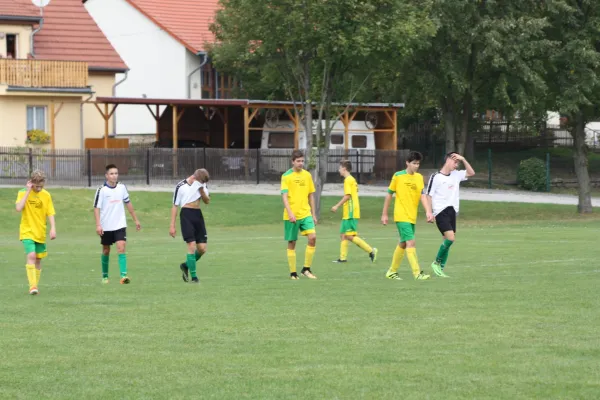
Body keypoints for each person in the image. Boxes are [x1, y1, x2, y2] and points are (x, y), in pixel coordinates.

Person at [423, 152, 476, 277]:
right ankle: (436, 263)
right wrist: (429, 212)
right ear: (447, 160)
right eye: (455, 161)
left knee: (447, 241)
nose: (456, 165)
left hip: (452, 211)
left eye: (458, 162)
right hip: (441, 212)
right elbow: (428, 195)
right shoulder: (435, 177)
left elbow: (471, 173)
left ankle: (440, 269)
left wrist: (463, 159)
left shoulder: (456, 175)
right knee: (451, 238)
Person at [381, 151, 431, 281]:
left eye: (418, 163)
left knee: (403, 243)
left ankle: (391, 271)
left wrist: (428, 211)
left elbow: (422, 195)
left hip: (411, 216)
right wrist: (384, 214)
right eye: (414, 163)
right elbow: (389, 194)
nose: (416, 166)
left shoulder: (419, 177)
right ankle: (417, 273)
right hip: (401, 215)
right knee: (411, 242)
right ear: (407, 163)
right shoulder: (398, 176)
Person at [93, 164, 141, 284]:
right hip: (106, 226)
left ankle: (123, 276)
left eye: (116, 173)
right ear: (106, 175)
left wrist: (136, 219)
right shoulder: (101, 190)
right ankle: (105, 276)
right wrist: (98, 225)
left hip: (120, 224)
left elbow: (128, 203)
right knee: (106, 250)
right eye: (112, 174)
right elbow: (96, 208)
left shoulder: (122, 188)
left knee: (121, 247)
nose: (114, 176)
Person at [15, 170, 56, 295]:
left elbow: (50, 212)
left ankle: (35, 285)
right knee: (31, 256)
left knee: (38, 259)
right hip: (27, 230)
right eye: (36, 186)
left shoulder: (46, 195)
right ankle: (32, 286)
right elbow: (18, 208)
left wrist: (53, 228)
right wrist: (28, 191)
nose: (38, 188)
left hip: (40, 232)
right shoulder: (22, 193)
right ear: (31, 183)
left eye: (41, 186)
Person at [331, 160, 377, 263]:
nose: (339, 170)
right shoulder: (351, 179)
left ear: (344, 169)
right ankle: (342, 258)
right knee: (343, 234)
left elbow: (348, 196)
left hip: (351, 211)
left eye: (339, 168)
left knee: (349, 236)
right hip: (348, 211)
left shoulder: (348, 180)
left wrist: (336, 206)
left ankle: (371, 251)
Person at [281, 150, 317, 280]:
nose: (301, 163)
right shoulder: (286, 176)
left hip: (305, 213)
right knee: (292, 242)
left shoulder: (307, 175)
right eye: (298, 161)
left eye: (302, 161)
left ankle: (306, 269)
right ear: (293, 161)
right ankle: (293, 273)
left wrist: (313, 214)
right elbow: (284, 196)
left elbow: (311, 195)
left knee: (312, 237)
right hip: (292, 215)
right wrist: (290, 213)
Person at [170, 168, 210, 284]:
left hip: (198, 215)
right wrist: (172, 225)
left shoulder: (202, 184)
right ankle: (194, 277)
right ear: (195, 177)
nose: (203, 183)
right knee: (191, 245)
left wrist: (201, 190)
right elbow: (175, 205)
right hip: (186, 214)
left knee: (202, 249)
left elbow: (207, 201)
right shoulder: (181, 186)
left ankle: (185, 265)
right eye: (201, 181)